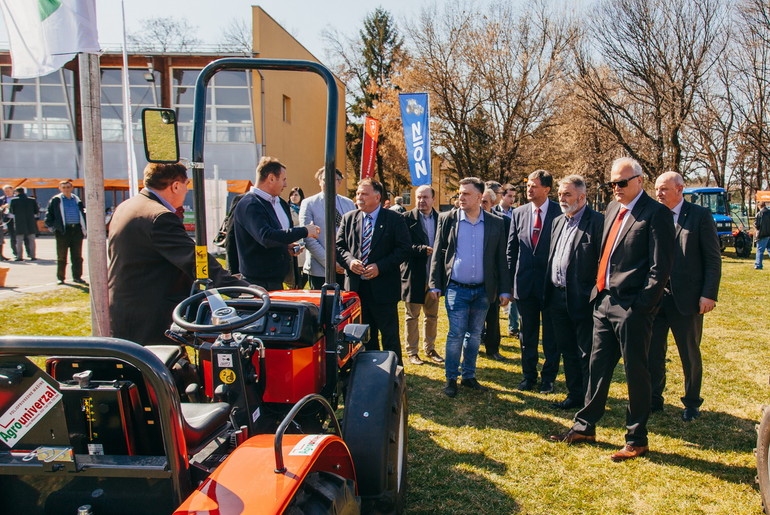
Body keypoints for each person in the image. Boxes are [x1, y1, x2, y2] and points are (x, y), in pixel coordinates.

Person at [549, 157, 675, 462]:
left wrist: (641, 306)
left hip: (632, 307)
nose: (615, 188)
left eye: (621, 182)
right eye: (612, 183)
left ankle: (636, 438)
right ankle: (585, 426)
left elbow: (660, 269)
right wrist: (598, 293)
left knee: (635, 372)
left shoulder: (656, 214)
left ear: (639, 181)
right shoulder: (612, 209)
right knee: (597, 367)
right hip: (603, 302)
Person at [108, 162, 248, 346]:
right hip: (150, 314)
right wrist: (240, 288)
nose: (187, 191)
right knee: (161, 370)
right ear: (175, 186)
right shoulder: (160, 217)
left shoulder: (128, 206)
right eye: (186, 185)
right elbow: (195, 260)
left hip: (126, 307)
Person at [648, 171, 721, 421]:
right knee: (652, 352)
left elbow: (712, 259)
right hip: (656, 299)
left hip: (687, 300)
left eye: (664, 189)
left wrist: (708, 294)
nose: (658, 194)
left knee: (689, 353)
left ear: (680, 189)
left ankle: (691, 402)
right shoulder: (653, 215)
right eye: (656, 189)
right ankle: (654, 398)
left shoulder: (699, 216)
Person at [429, 178, 511, 397]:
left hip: (484, 290)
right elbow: (438, 253)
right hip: (457, 288)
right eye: (459, 193)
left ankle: (468, 376)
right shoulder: (448, 219)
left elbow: (501, 259)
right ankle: (451, 378)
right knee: (456, 334)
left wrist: (504, 290)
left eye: (466, 194)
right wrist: (435, 284)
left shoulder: (496, 223)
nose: (461, 197)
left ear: (478, 197)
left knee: (474, 335)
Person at [543, 175, 604, 410]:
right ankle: (574, 395)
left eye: (567, 194)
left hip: (583, 299)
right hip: (557, 296)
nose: (561, 198)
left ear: (582, 197)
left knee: (586, 353)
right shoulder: (558, 221)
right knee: (567, 349)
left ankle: (591, 400)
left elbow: (602, 262)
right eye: (559, 194)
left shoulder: (597, 222)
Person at [336, 179, 410, 363]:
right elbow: (338, 247)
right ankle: (369, 371)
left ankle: (393, 372)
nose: (359, 197)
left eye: (364, 194)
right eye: (358, 193)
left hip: (384, 288)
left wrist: (380, 267)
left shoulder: (394, 219)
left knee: (389, 335)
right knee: (364, 336)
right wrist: (350, 261)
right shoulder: (349, 218)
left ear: (377, 197)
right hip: (357, 289)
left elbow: (404, 248)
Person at [507, 170, 562, 393]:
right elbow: (511, 250)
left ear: (547, 190)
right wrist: (509, 283)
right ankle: (528, 377)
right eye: (528, 185)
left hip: (551, 286)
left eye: (534, 186)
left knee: (551, 337)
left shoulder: (560, 212)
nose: (529, 189)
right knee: (526, 336)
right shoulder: (518, 213)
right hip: (525, 285)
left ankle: (548, 378)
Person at [232, 156, 320, 290]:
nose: (285, 185)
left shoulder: (280, 204)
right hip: (257, 284)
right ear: (271, 178)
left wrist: (286, 246)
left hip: (276, 281)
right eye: (283, 180)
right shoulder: (250, 204)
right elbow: (266, 237)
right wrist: (305, 231)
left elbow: (276, 236)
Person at [401, 185, 443, 365]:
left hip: (433, 276)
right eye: (418, 197)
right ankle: (412, 351)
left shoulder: (441, 219)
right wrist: (420, 249)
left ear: (433, 199)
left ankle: (430, 348)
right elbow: (400, 246)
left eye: (425, 197)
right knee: (412, 316)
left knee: (432, 315)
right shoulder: (405, 219)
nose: (421, 201)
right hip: (414, 275)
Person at [299, 167, 355, 288]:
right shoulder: (309, 203)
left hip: (346, 267)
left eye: (333, 179)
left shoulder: (349, 203)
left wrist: (347, 261)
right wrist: (330, 264)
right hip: (320, 270)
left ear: (339, 182)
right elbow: (308, 238)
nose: (328, 182)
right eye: (324, 179)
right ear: (319, 181)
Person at [481, 188, 510, 361]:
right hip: (474, 277)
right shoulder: (469, 220)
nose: (481, 205)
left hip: (493, 277)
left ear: (492, 203)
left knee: (493, 316)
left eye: (485, 202)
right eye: (480, 201)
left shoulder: (502, 222)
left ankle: (493, 348)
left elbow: (505, 251)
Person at [45, 180, 87, 285]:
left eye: (68, 187)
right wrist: (53, 227)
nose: (66, 189)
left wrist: (84, 227)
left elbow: (83, 212)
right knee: (61, 256)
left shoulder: (77, 200)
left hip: (76, 230)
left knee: (77, 256)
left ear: (71, 188)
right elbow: (49, 215)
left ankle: (77, 277)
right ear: (60, 188)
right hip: (63, 231)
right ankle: (61, 277)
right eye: (63, 187)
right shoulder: (56, 200)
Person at [493, 183, 520, 338]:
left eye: (513, 196)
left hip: (512, 259)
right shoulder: (494, 213)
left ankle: (513, 326)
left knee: (514, 293)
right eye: (509, 196)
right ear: (501, 196)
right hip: (498, 259)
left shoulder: (516, 213)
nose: (512, 199)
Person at [9, 187, 39, 261]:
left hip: (19, 222)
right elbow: (36, 211)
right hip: (30, 222)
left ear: (17, 192)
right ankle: (33, 256)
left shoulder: (13, 200)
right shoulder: (32, 200)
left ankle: (19, 256)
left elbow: (12, 211)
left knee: (19, 240)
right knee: (32, 240)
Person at [287, 186, 307, 288]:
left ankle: (300, 286)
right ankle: (295, 287)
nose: (293, 197)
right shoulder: (287, 209)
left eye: (296, 194)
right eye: (292, 194)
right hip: (293, 240)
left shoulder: (304, 208)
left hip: (304, 240)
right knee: (296, 269)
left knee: (306, 270)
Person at [0, 184, 15, 261]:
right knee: (11, 237)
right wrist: (3, 208)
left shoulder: (17, 198)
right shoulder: (1, 199)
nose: (7, 192)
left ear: (12, 190)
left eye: (8, 191)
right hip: (6, 220)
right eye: (5, 191)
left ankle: (20, 254)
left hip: (18, 220)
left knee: (22, 237)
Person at [755, 201, 770, 270]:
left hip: (762, 234)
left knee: (760, 250)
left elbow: (757, 225)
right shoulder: (769, 212)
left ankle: (758, 265)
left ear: (759, 206)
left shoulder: (759, 214)